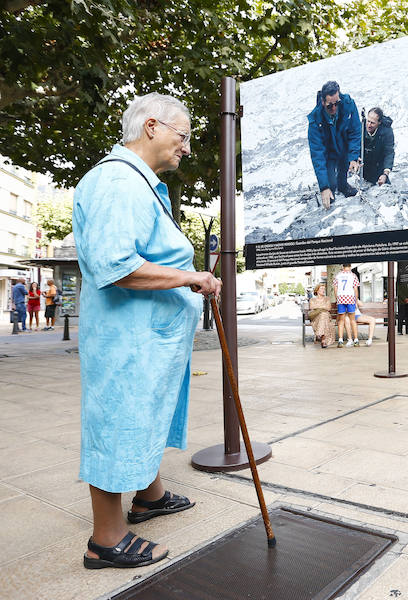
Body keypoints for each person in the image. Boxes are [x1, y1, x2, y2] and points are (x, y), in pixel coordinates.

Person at [73, 92, 221, 569]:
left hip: (147, 335)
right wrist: (191, 277)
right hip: (128, 337)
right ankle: (107, 540)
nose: (187, 148)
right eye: (184, 136)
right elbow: (115, 266)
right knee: (120, 419)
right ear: (152, 126)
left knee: (143, 412)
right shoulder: (118, 183)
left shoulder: (141, 183)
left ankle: (149, 497)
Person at [307, 81, 361, 210]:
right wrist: (324, 187)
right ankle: (330, 187)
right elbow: (317, 155)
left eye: (337, 103)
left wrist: (353, 157)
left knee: (343, 171)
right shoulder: (315, 121)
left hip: (343, 146)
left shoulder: (348, 104)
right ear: (322, 101)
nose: (334, 108)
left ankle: (343, 185)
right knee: (330, 187)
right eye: (330, 106)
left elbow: (355, 131)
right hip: (328, 153)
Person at [362, 107, 394, 186]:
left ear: (379, 122)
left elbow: (389, 152)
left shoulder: (387, 131)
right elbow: (353, 146)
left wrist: (385, 174)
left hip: (378, 165)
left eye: (372, 123)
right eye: (368, 121)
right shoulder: (361, 127)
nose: (369, 125)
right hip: (363, 165)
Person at [333, 263, 360, 347]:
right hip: (350, 298)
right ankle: (356, 340)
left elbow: (335, 288)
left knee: (341, 320)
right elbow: (355, 289)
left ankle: (340, 340)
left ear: (342, 267)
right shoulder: (353, 275)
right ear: (350, 267)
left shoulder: (338, 275)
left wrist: (337, 298)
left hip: (341, 298)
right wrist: (356, 300)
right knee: (352, 320)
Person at [308, 283, 336, 348]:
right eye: (321, 289)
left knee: (324, 315)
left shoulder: (327, 299)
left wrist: (318, 307)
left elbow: (328, 308)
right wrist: (323, 307)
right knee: (323, 314)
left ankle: (320, 336)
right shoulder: (312, 299)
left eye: (324, 289)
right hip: (316, 319)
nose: (323, 290)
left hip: (326, 318)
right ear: (317, 290)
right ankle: (323, 341)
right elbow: (312, 307)